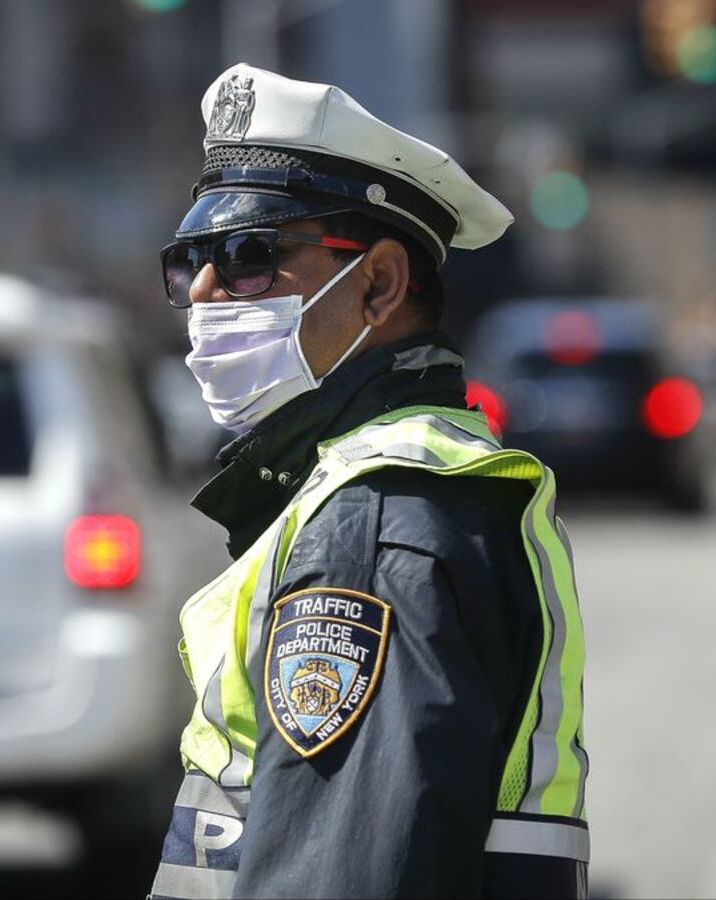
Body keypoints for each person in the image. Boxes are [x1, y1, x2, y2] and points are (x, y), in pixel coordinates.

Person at [149, 64, 591, 899]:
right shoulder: (388, 490)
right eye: (190, 261)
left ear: (380, 285)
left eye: (248, 255)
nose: (204, 291)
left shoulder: (374, 526)